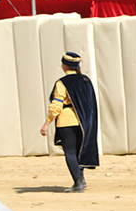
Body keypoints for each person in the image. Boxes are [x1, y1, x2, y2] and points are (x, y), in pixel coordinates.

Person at [40, 52, 100, 193]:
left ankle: (77, 183)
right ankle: (82, 179)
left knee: (71, 152)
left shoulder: (62, 82)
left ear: (64, 65)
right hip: (83, 122)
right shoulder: (85, 80)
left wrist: (47, 122)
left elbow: (57, 104)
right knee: (79, 151)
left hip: (67, 122)